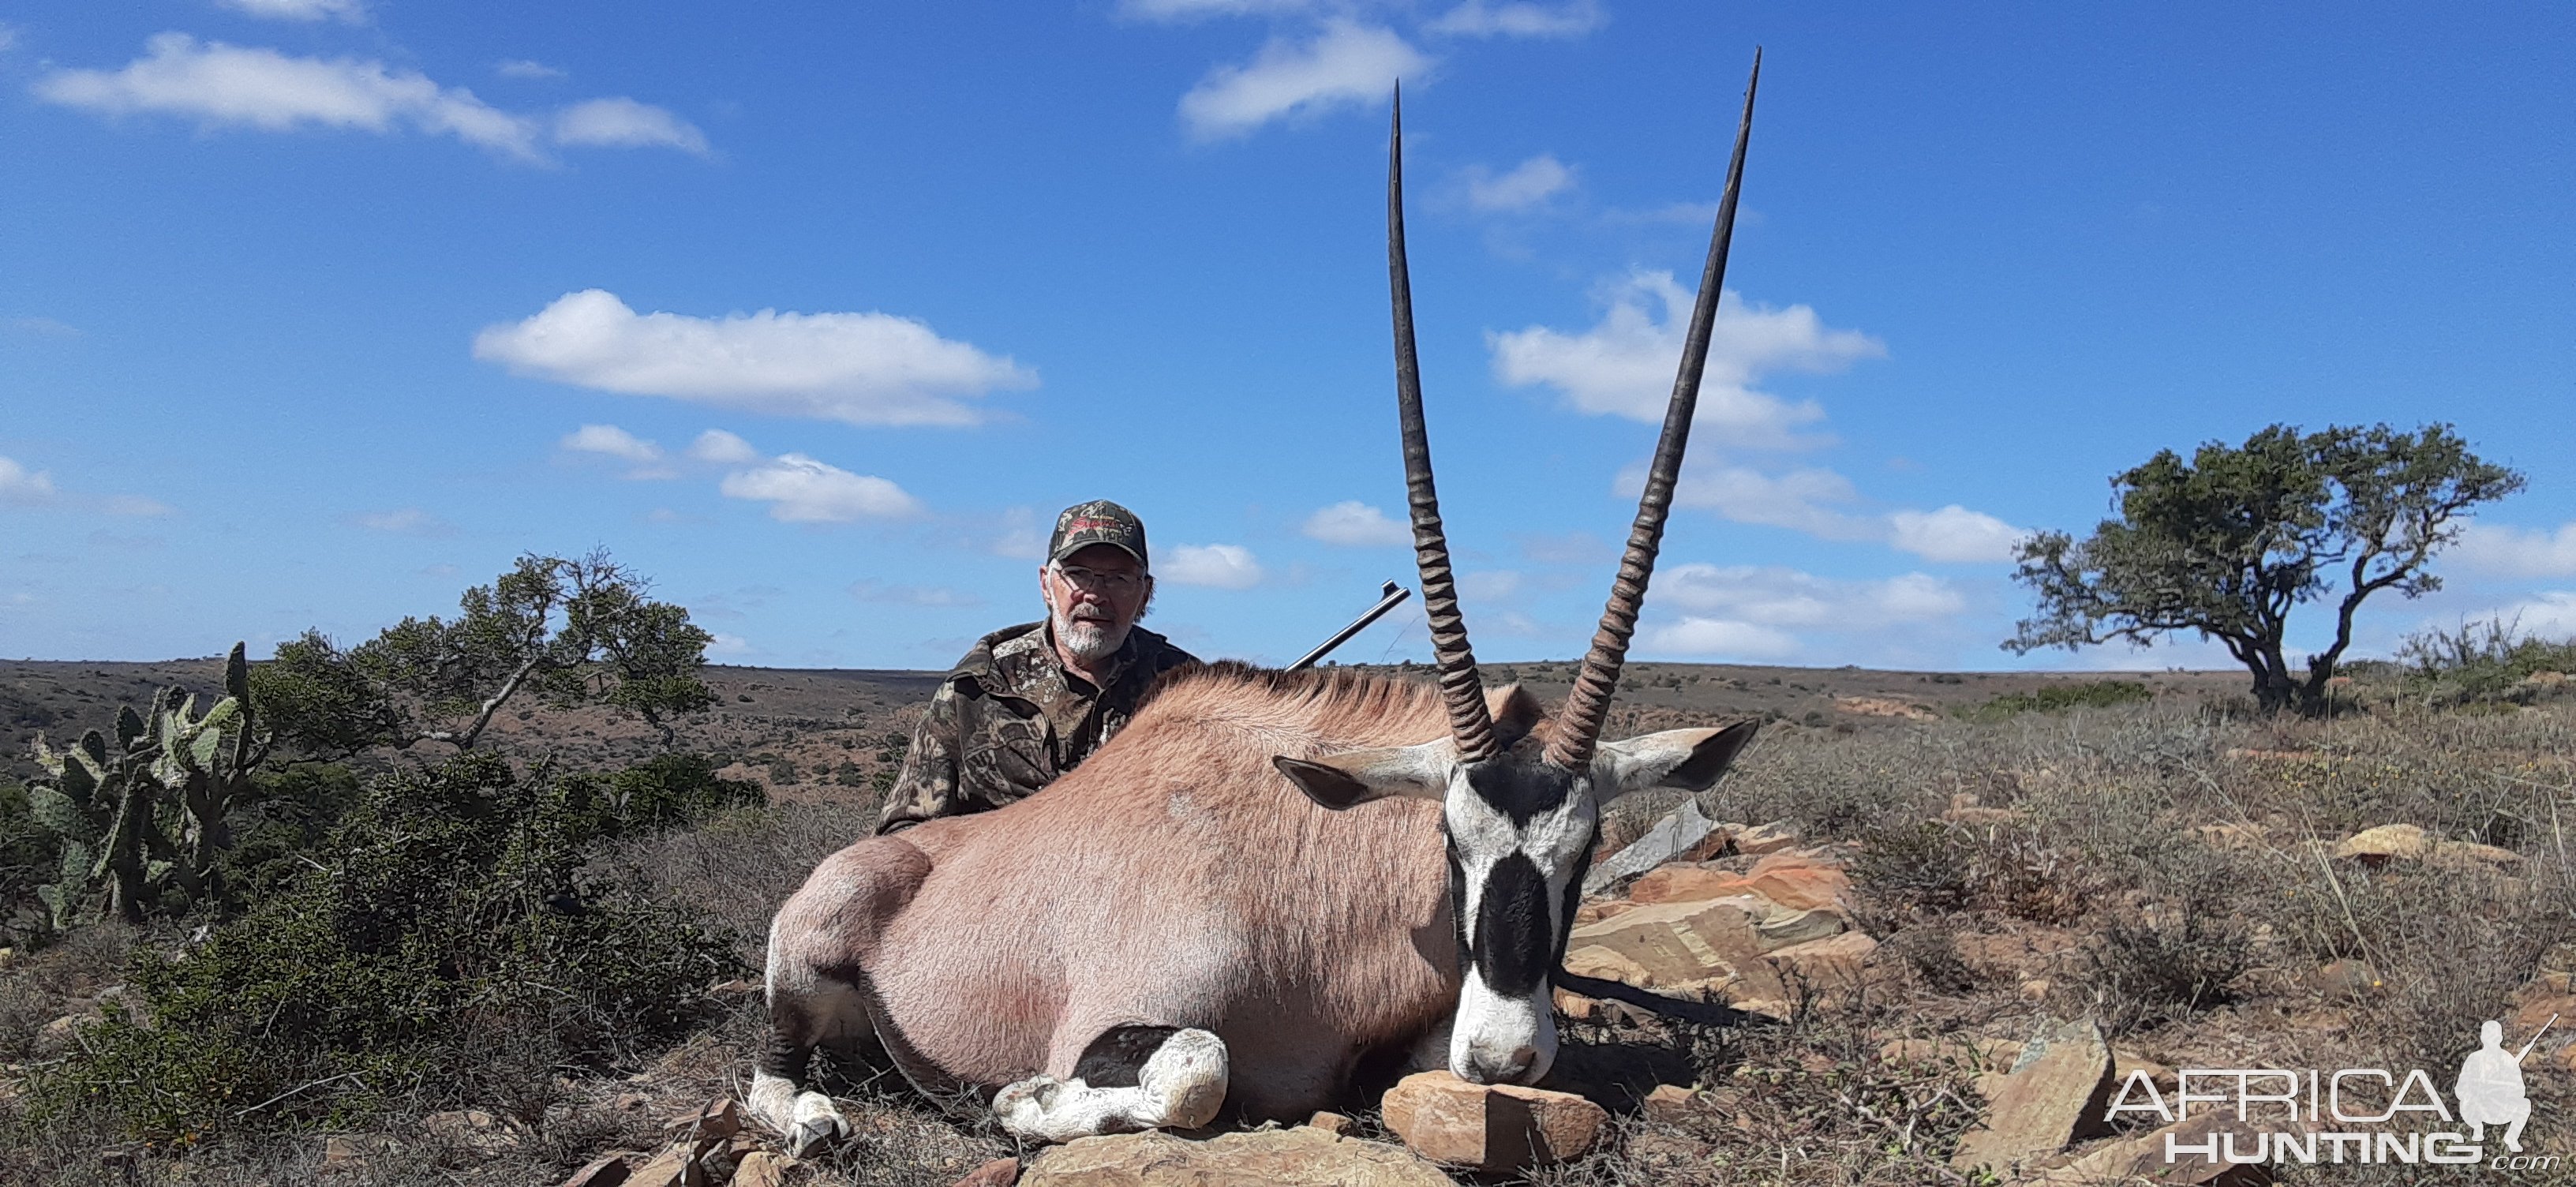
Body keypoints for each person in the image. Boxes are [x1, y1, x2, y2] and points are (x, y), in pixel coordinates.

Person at [875, 500, 1200, 833]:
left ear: (1145, 593)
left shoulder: (1191, 690)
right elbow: (905, 830)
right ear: (1046, 584)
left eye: (1118, 579)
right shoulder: (978, 686)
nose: (1095, 595)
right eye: (1078, 575)